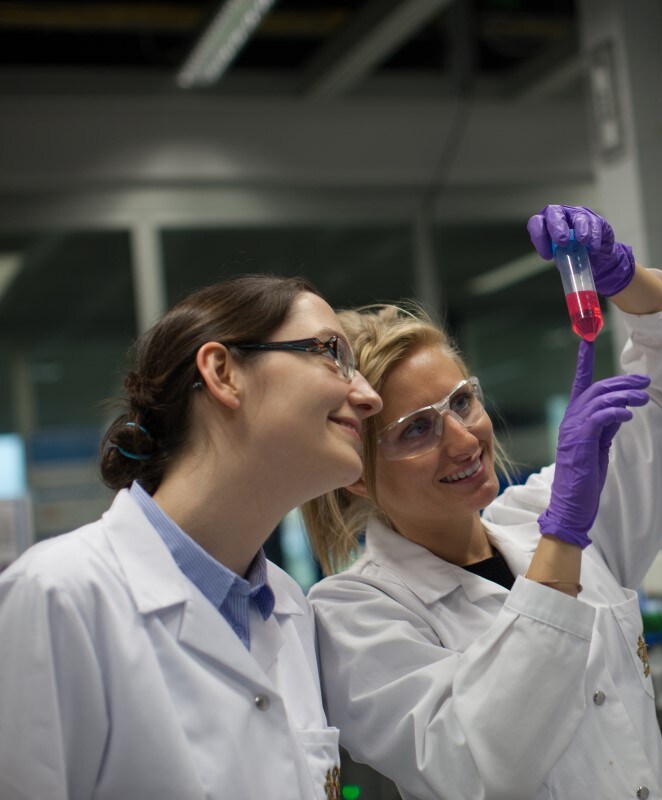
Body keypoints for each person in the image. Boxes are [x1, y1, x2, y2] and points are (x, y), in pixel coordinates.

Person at [301, 204, 662, 800]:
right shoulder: (352, 613)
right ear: (356, 473)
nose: (462, 441)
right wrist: (563, 537)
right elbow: (482, 766)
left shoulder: (539, 517)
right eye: (415, 430)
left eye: (461, 403)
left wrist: (627, 281)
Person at [0, 274, 384, 799]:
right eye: (332, 353)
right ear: (224, 373)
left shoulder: (287, 609)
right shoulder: (60, 595)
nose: (368, 397)